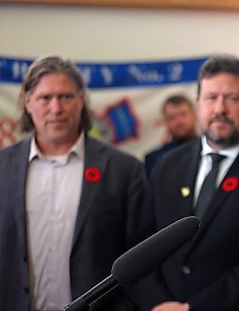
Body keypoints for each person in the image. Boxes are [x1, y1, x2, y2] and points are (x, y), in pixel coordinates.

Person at [0, 56, 155, 311]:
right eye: (45, 98)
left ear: (82, 101)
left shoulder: (124, 170)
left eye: (66, 97)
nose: (56, 108)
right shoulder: (3, 167)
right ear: (28, 103)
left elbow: (141, 258)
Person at [148, 54, 239, 311]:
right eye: (211, 98)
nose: (220, 109)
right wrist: (157, 303)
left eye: (232, 98)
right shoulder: (167, 165)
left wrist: (194, 309)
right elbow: (141, 241)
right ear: (198, 103)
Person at [144, 95, 198, 177]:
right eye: (172, 118)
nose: (179, 122)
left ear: (194, 115)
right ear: (165, 121)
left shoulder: (212, 152)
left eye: (183, 114)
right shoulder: (155, 159)